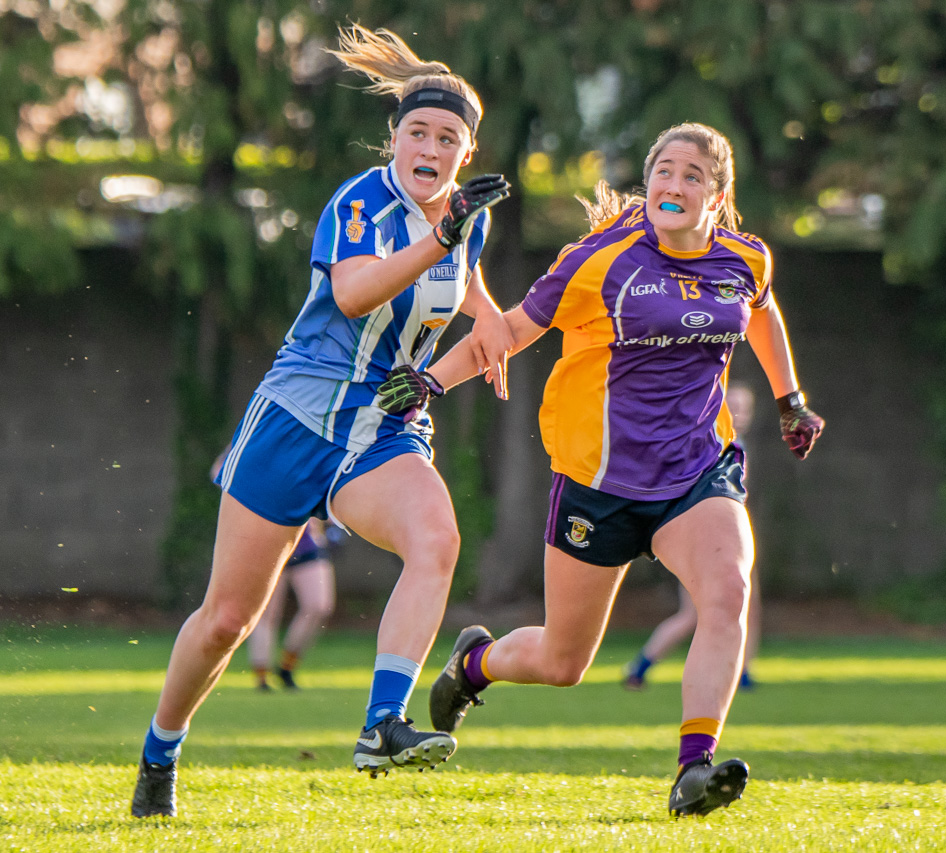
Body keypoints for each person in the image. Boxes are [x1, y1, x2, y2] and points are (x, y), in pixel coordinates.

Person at [131, 24, 513, 817]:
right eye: (418, 131)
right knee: (227, 619)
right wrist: (443, 238)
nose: (431, 146)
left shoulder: (466, 223)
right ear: (395, 139)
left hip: (379, 428)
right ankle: (160, 752)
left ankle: (383, 722)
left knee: (436, 540)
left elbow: (490, 328)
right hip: (298, 415)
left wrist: (445, 373)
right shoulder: (361, 200)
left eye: (448, 136)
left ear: (466, 155)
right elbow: (352, 294)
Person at [413, 122, 824, 817]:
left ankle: (694, 769)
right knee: (562, 663)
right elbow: (511, 329)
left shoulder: (745, 258)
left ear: (717, 196)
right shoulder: (602, 259)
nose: (673, 184)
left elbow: (760, 313)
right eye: (663, 170)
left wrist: (791, 400)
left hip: (696, 469)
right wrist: (430, 382)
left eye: (692, 175)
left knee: (727, 589)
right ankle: (472, 665)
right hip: (598, 480)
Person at [622, 381, 761, 692]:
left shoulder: (738, 443)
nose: (739, 413)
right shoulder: (709, 441)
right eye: (732, 406)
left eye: (744, 408)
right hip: (705, 538)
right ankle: (641, 666)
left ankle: (742, 673)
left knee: (747, 606)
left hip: (733, 536)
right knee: (693, 613)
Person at [245, 517, 337, 691]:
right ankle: (262, 677)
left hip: (307, 543)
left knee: (319, 606)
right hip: (268, 545)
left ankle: (286, 668)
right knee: (267, 613)